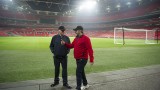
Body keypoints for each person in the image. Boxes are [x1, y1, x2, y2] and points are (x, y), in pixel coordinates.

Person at [61, 26, 94, 90]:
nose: (75, 31)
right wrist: (65, 43)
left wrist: (91, 59)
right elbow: (71, 46)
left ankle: (78, 87)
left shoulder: (86, 38)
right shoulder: (76, 38)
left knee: (78, 72)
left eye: (76, 30)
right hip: (77, 58)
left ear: (80, 30)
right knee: (81, 72)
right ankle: (85, 84)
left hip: (83, 58)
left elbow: (90, 49)